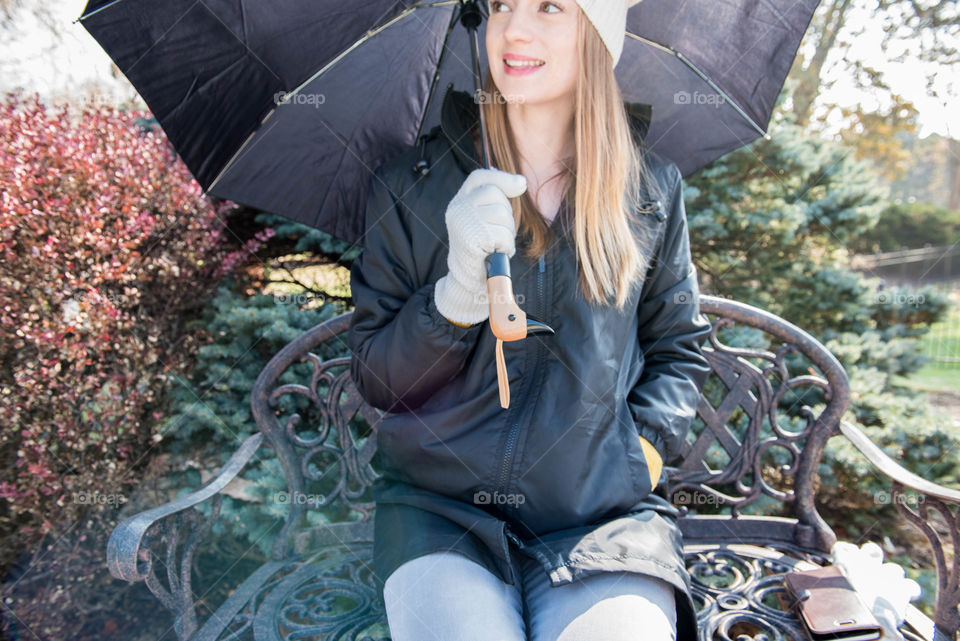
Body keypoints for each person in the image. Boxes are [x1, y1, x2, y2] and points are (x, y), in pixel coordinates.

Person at [347, 0, 713, 639]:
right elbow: (381, 383)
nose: (513, 29)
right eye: (500, 4)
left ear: (599, 31)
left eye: (550, 6)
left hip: (600, 520)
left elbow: (679, 347)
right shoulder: (412, 186)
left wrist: (641, 454)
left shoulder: (650, 191)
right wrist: (456, 296)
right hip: (439, 516)